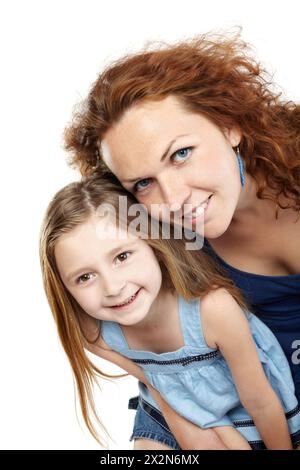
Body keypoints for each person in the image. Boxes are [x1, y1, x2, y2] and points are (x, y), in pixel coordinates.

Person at [63, 30, 300, 449]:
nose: (173, 200)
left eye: (181, 154)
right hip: (218, 410)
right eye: (143, 182)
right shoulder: (157, 235)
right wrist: (178, 409)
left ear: (230, 125)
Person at [39, 174, 300, 450]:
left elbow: (260, 401)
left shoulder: (214, 311)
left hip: (252, 413)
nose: (112, 288)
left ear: (154, 244)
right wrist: (207, 431)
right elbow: (156, 385)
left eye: (122, 256)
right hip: (170, 407)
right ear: (65, 289)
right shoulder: (93, 332)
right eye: (85, 277)